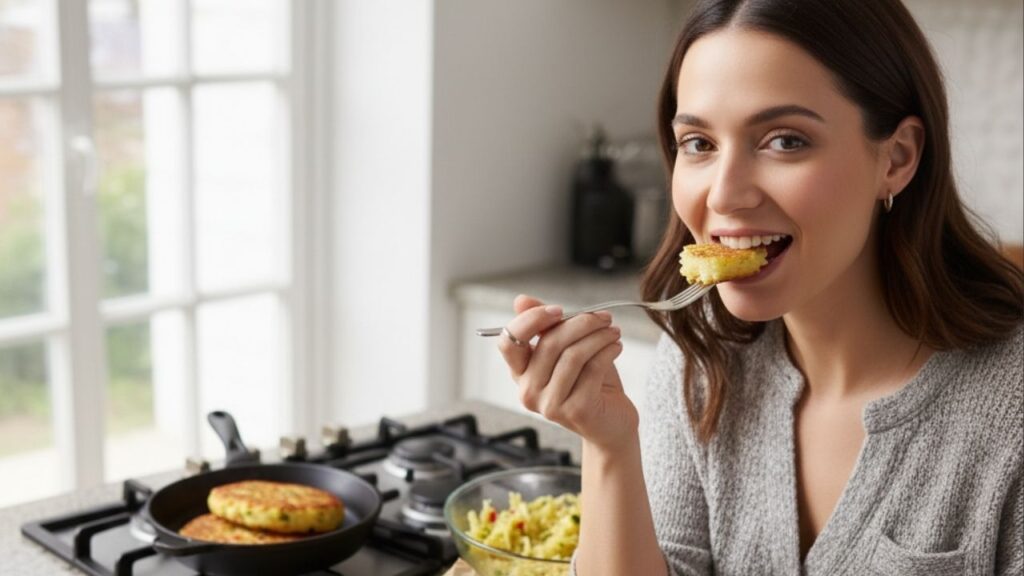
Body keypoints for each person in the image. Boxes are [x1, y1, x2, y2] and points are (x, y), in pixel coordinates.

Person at [494, 0, 1024, 574]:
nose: (724, 195)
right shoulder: (701, 353)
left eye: (785, 141)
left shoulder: (1010, 409)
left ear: (896, 158)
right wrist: (608, 444)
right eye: (699, 143)